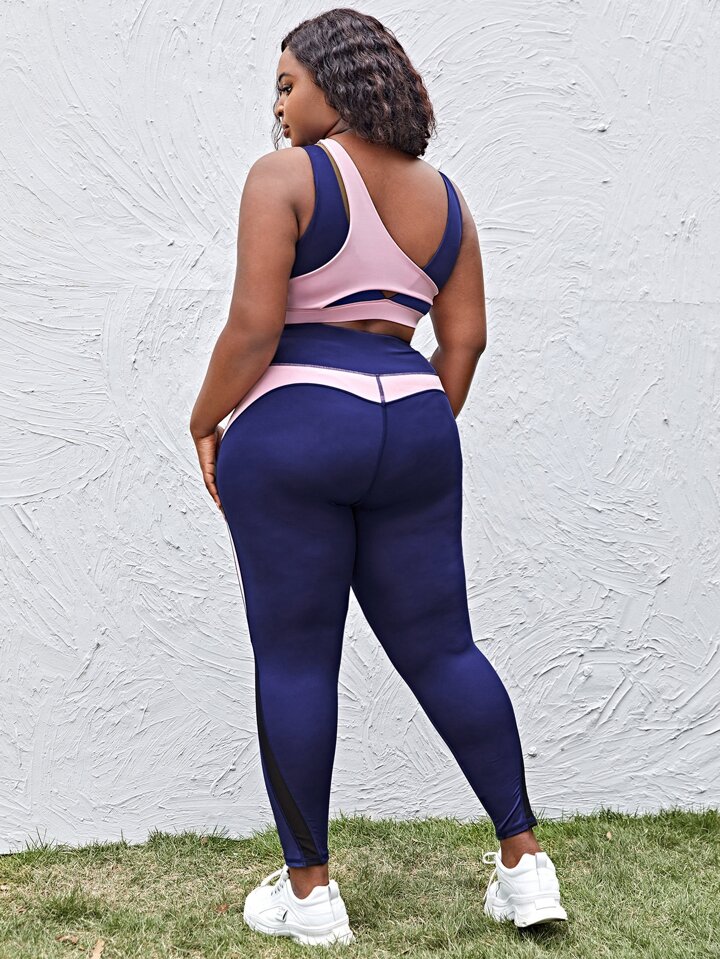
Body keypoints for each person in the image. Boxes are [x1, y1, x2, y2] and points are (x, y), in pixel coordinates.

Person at [189, 8, 567, 948]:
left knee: (295, 656)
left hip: (297, 423)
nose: (279, 108)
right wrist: (407, 433)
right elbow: (465, 341)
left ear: (337, 81)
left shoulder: (286, 178)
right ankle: (525, 866)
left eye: (288, 85)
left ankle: (310, 893)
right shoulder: (448, 199)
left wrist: (204, 419)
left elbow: (254, 329)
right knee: (445, 648)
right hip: (417, 420)